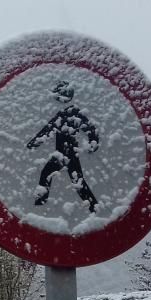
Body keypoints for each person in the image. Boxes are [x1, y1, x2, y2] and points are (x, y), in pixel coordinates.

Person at [26, 80, 100, 213]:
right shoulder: (62, 114)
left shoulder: (74, 112)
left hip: (69, 153)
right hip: (61, 153)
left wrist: (93, 142)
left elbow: (90, 128)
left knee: (76, 181)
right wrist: (33, 143)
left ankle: (93, 208)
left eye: (59, 94)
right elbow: (47, 131)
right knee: (69, 179)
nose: (56, 97)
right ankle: (93, 207)